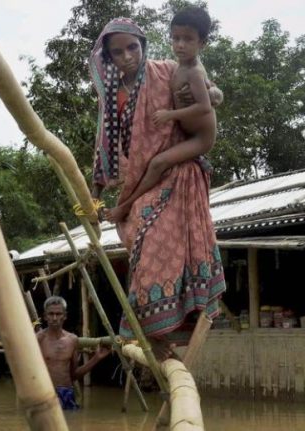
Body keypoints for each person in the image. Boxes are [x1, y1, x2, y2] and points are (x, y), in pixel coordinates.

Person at [89, 17, 226, 358]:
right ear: (108, 58)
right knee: (142, 248)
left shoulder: (166, 70)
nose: (127, 57)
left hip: (179, 176)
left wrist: (211, 93)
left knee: (157, 248)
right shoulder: (112, 97)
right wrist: (94, 200)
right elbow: (105, 148)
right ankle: (157, 339)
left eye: (132, 48)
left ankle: (166, 340)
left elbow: (210, 91)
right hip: (139, 183)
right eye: (117, 52)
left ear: (143, 47)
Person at [108, 7, 216, 223]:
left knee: (158, 163)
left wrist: (170, 114)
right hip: (153, 159)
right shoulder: (112, 94)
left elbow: (208, 101)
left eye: (187, 39)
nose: (180, 45)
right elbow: (108, 139)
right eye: (176, 38)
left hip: (198, 141)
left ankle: (124, 206)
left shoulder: (178, 69)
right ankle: (127, 204)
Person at [36, 296, 109, 410]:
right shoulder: (39, 339)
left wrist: (96, 358)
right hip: (45, 394)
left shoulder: (72, 340)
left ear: (65, 316)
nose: (55, 318)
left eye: (58, 314)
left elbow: (74, 375)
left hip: (66, 393)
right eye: (51, 314)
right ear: (45, 316)